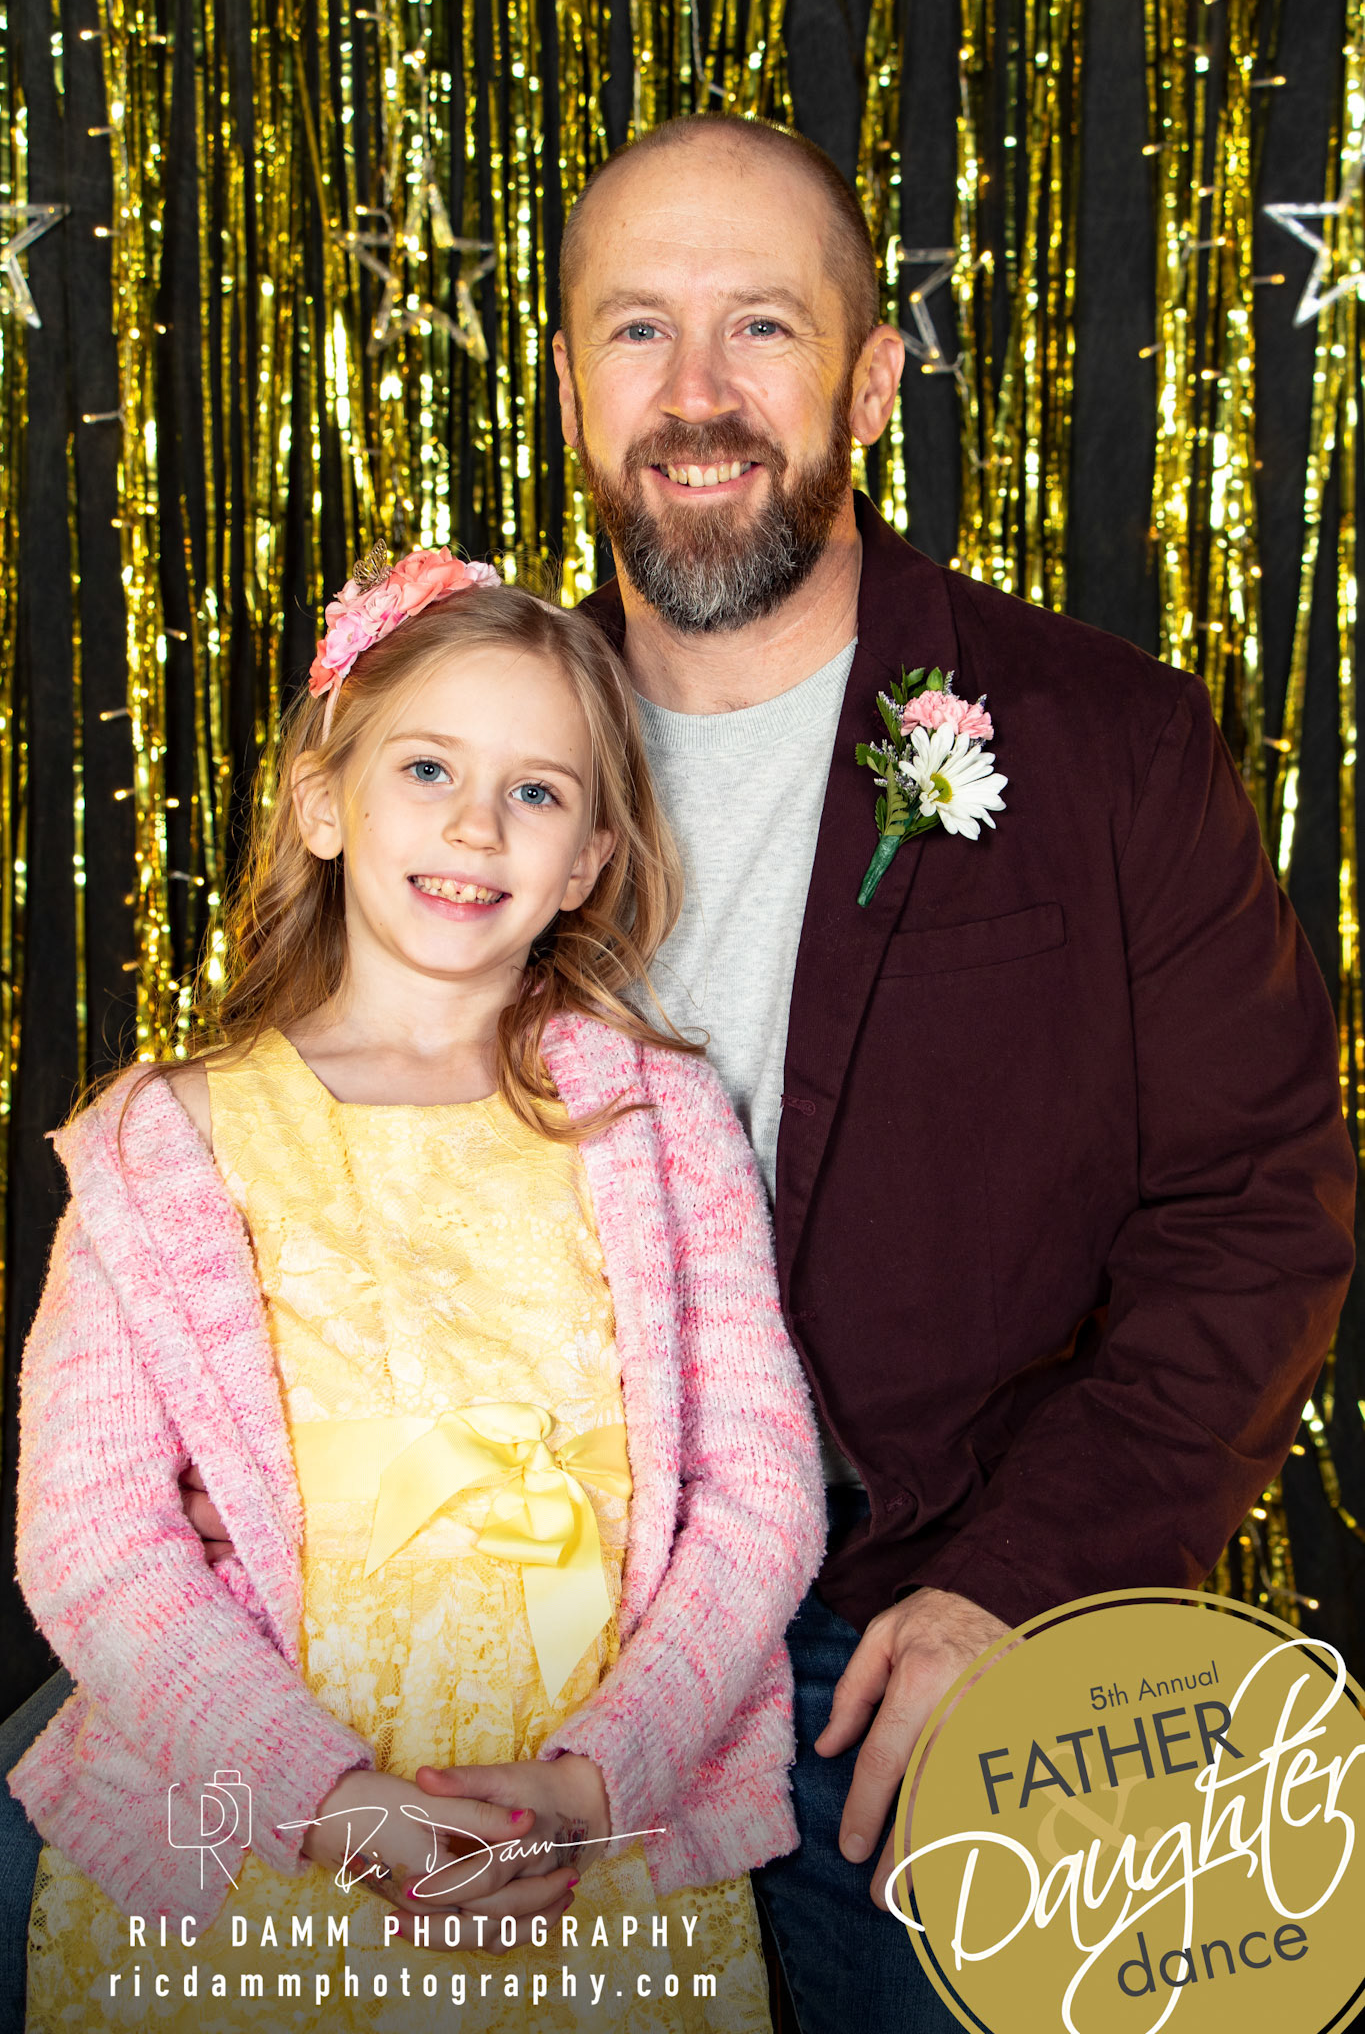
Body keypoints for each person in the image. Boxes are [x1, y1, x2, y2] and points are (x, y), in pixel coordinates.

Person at [0, 109, 1357, 2034]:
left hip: (899, 1601)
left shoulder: (1103, 747)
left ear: (871, 380)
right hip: (368, 1608)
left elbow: (1255, 1220)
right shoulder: (472, 744)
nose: (696, 394)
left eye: (762, 329)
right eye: (638, 330)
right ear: (568, 386)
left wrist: (1021, 1588)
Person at [8, 557, 825, 2032]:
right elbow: (95, 1542)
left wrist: (593, 1784)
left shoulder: (661, 1124)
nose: (474, 826)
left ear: (587, 861)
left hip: (585, 1861)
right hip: (262, 1863)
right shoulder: (164, 1143)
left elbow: (761, 1497)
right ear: (325, 801)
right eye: (429, 768)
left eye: (536, 792)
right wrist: (334, 1804)